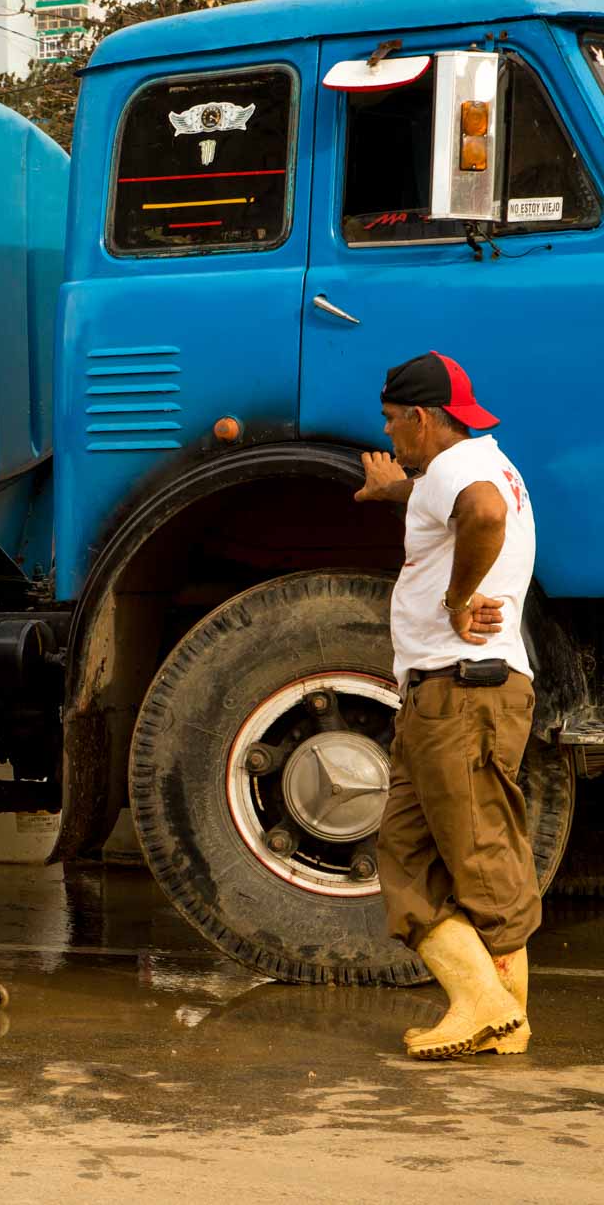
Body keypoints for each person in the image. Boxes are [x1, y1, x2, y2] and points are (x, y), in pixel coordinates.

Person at [355, 352, 537, 1059]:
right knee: (403, 853)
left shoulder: (464, 476)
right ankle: (487, 1007)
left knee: (482, 858)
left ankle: (500, 1016)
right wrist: (395, 490)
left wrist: (458, 602)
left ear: (423, 418)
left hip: (465, 689)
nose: (390, 434)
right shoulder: (478, 463)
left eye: (392, 423)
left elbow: (479, 512)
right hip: (442, 692)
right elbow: (453, 501)